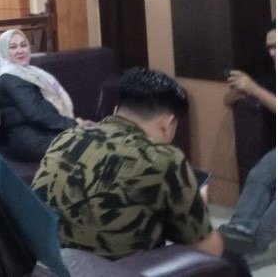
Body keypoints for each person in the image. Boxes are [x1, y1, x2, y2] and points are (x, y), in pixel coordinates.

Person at [32, 67, 223, 260]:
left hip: (50, 266)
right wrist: (198, 207)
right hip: (120, 270)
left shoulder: (66, 139)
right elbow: (209, 249)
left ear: (116, 110)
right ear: (168, 123)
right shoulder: (164, 158)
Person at [219, 20, 276, 257]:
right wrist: (239, 89)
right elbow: (228, 101)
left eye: (277, 46)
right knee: (260, 174)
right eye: (270, 47)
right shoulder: (271, 76)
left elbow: (259, 92)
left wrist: (254, 90)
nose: (272, 53)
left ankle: (257, 243)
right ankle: (239, 231)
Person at [0, 28, 80, 162]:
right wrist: (73, 124)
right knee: (89, 143)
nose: (20, 51)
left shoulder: (27, 73)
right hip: (30, 140)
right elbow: (35, 113)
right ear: (4, 51)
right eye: (13, 47)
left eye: (23, 45)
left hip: (41, 131)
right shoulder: (9, 78)